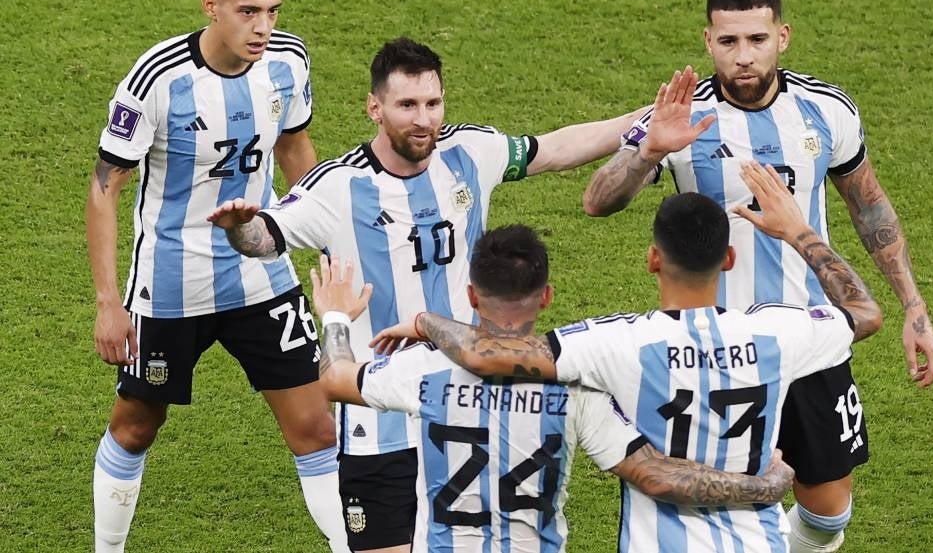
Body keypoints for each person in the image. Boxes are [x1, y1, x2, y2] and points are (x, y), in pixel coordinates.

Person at [370, 71, 884, 552]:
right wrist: (797, 230)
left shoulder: (616, 343)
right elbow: (863, 311)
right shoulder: (781, 332)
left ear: (653, 259)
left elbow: (488, 355)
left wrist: (425, 321)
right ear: (728, 258)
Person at [207, 37, 648, 553]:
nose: (424, 120)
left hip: (464, 409)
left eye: (433, 103)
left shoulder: (470, 153)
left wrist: (641, 122)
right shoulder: (337, 186)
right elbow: (264, 239)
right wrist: (240, 227)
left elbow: (554, 149)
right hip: (377, 419)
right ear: (375, 108)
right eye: (407, 105)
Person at [580, 0, 933, 551]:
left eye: (757, 39)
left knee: (828, 514)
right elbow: (597, 201)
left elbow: (870, 206)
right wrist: (648, 151)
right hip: (715, 349)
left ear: (783, 36)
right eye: (729, 41)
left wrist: (914, 308)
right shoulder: (679, 116)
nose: (743, 55)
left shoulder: (826, 110)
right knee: (712, 500)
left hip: (810, 336)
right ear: (708, 41)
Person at [311, 226, 795, 552]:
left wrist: (335, 315)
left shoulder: (422, 369)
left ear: (472, 295)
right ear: (545, 296)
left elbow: (334, 378)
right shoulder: (577, 388)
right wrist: (762, 487)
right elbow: (658, 477)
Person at [86, 0, 346, 552]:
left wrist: (328, 244)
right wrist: (108, 302)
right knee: (136, 424)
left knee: (316, 427)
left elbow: (295, 150)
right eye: (248, 11)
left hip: (262, 274)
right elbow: (105, 188)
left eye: (273, 11)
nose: (262, 27)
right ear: (211, 6)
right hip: (171, 287)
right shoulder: (157, 79)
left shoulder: (288, 62)